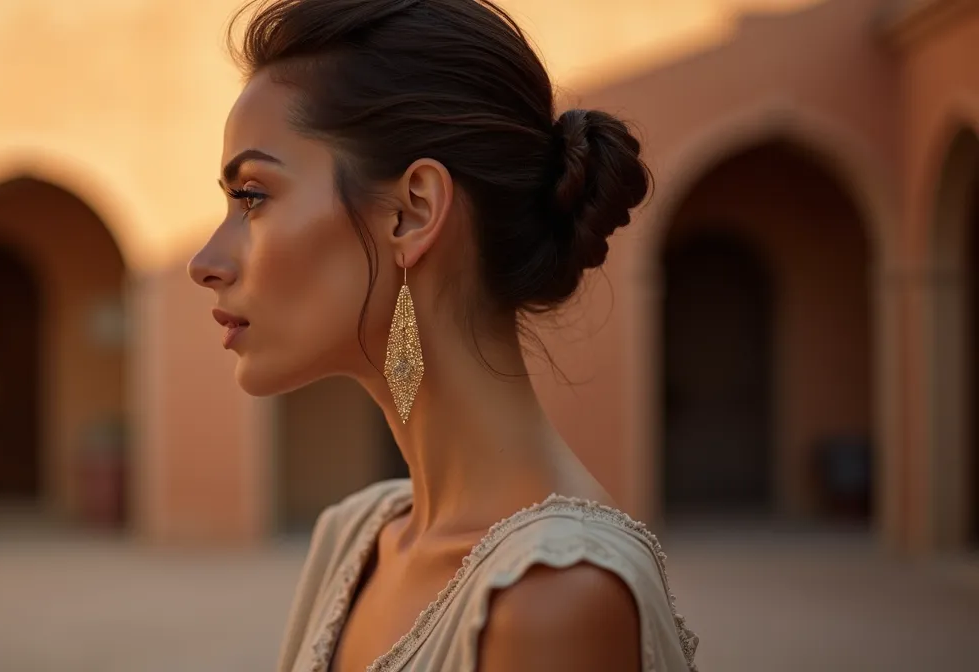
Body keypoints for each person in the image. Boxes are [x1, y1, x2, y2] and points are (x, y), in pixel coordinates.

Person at [188, 0, 700, 669]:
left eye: (252, 196)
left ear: (412, 212)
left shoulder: (552, 599)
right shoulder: (355, 538)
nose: (205, 263)